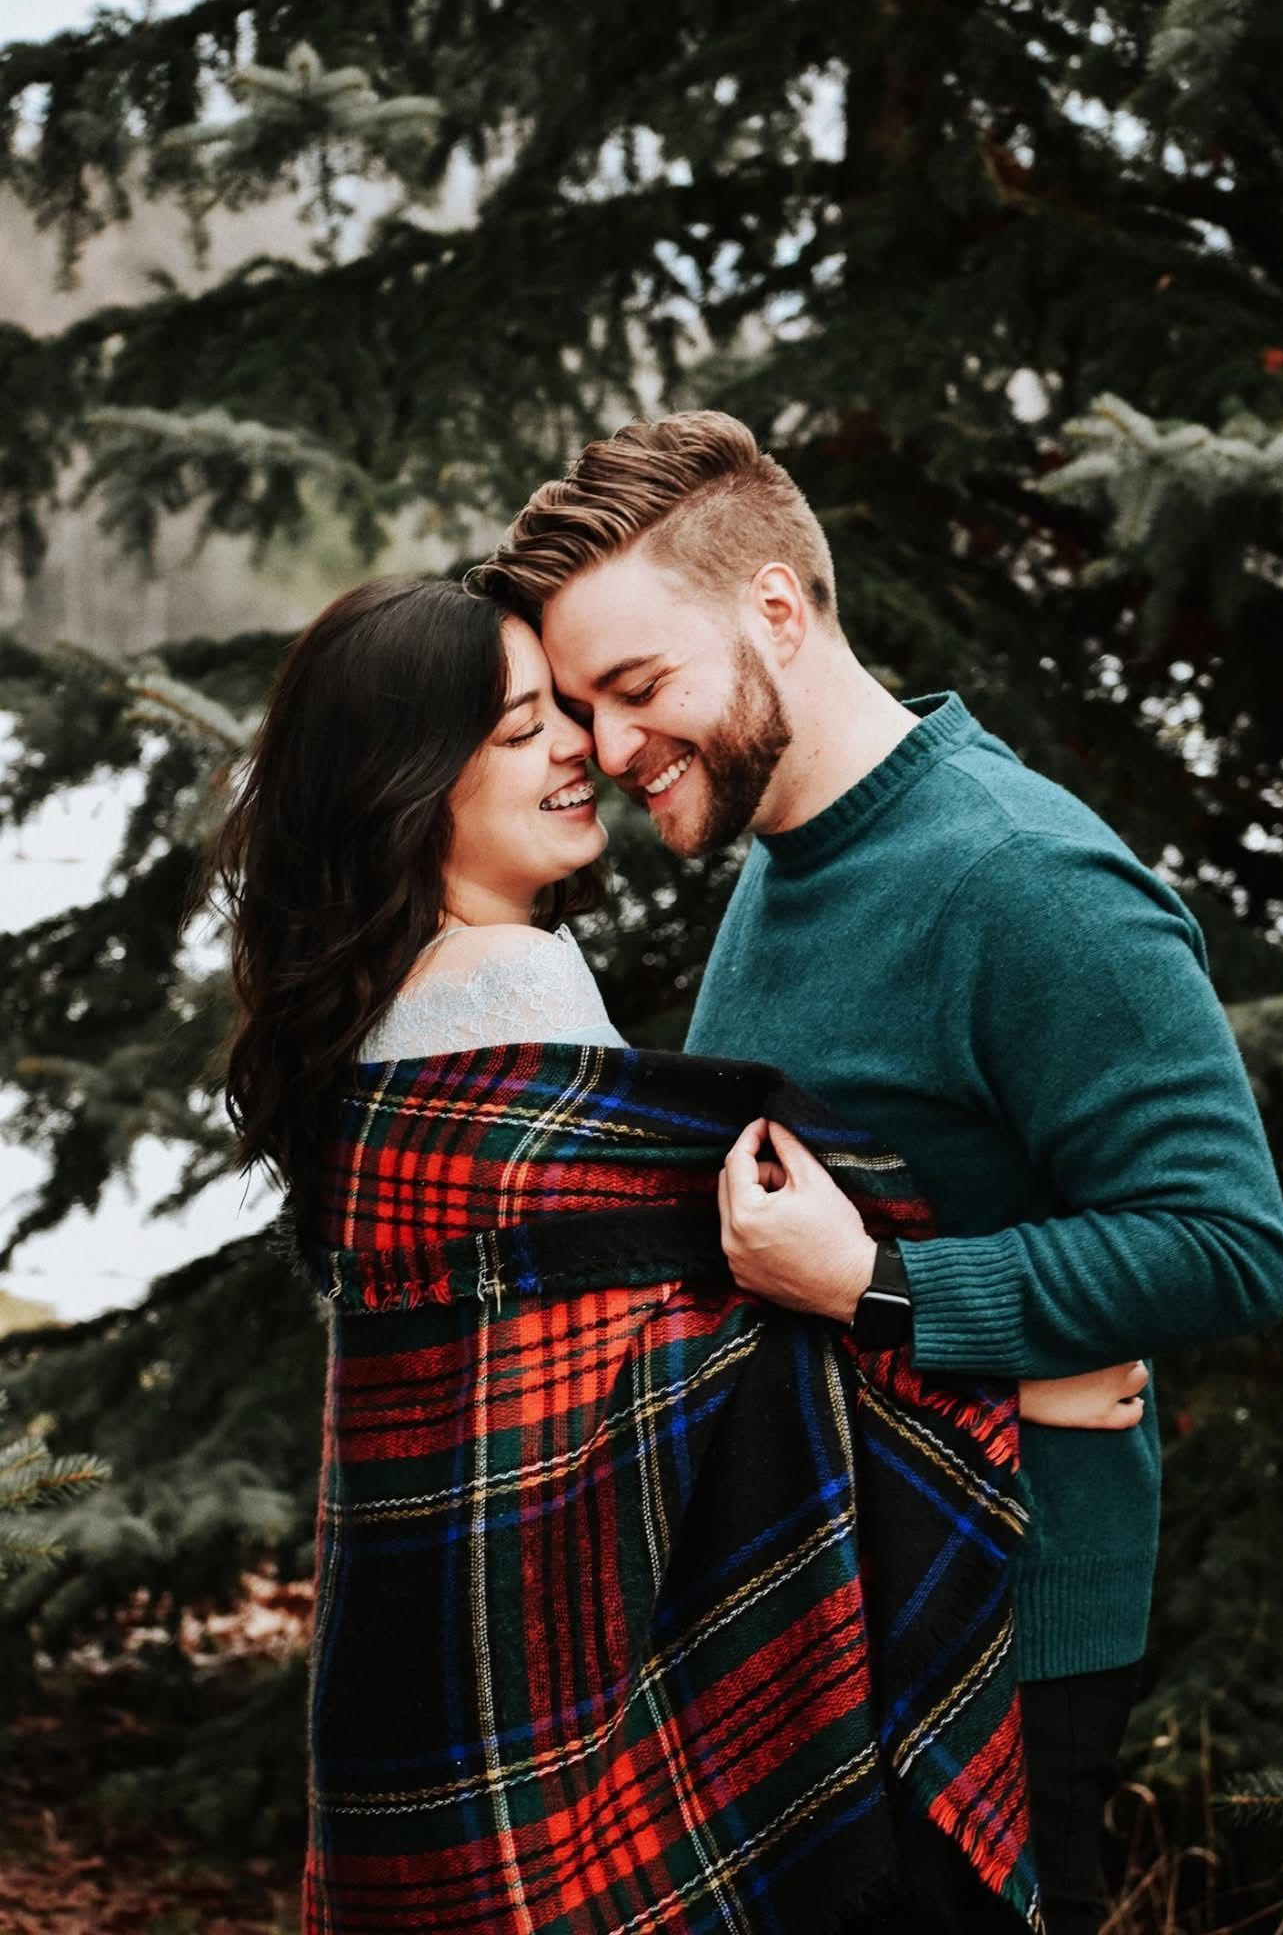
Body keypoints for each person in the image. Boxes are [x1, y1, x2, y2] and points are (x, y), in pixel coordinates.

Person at [209, 572, 1152, 1934]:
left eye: (578, 712)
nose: (579, 751)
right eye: (522, 725)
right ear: (411, 778)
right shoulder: (511, 984)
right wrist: (1000, 1389)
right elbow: (691, 1372)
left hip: (421, 1652)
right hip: (547, 1649)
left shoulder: (367, 1013)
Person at [479, 410, 1283, 1935]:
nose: (602, 747)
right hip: (823, 1589)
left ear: (776, 608)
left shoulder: (1022, 881)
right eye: (580, 705)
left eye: (637, 686)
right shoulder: (785, 861)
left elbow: (1225, 1241)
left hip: (984, 1631)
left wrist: (881, 1287)